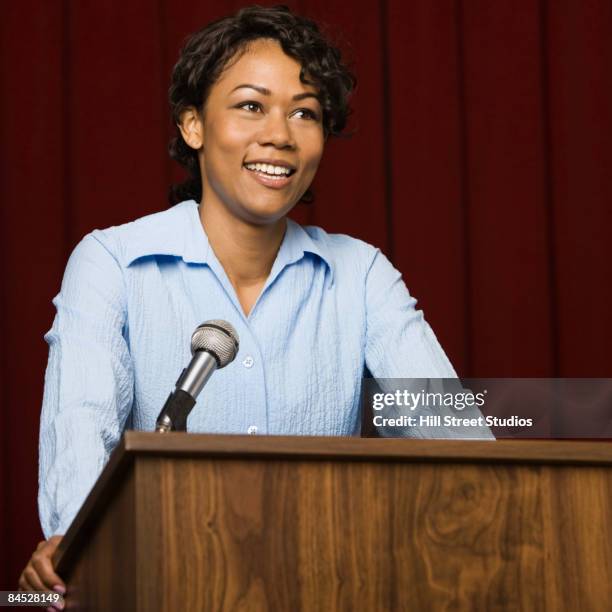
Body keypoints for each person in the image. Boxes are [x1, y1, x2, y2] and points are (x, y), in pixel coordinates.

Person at [19, 5, 493, 595]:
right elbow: (80, 434)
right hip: (165, 585)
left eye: (305, 112)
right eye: (251, 105)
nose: (280, 134)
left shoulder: (361, 274)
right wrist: (77, 544)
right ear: (193, 125)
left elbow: (463, 446)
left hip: (330, 587)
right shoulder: (113, 262)